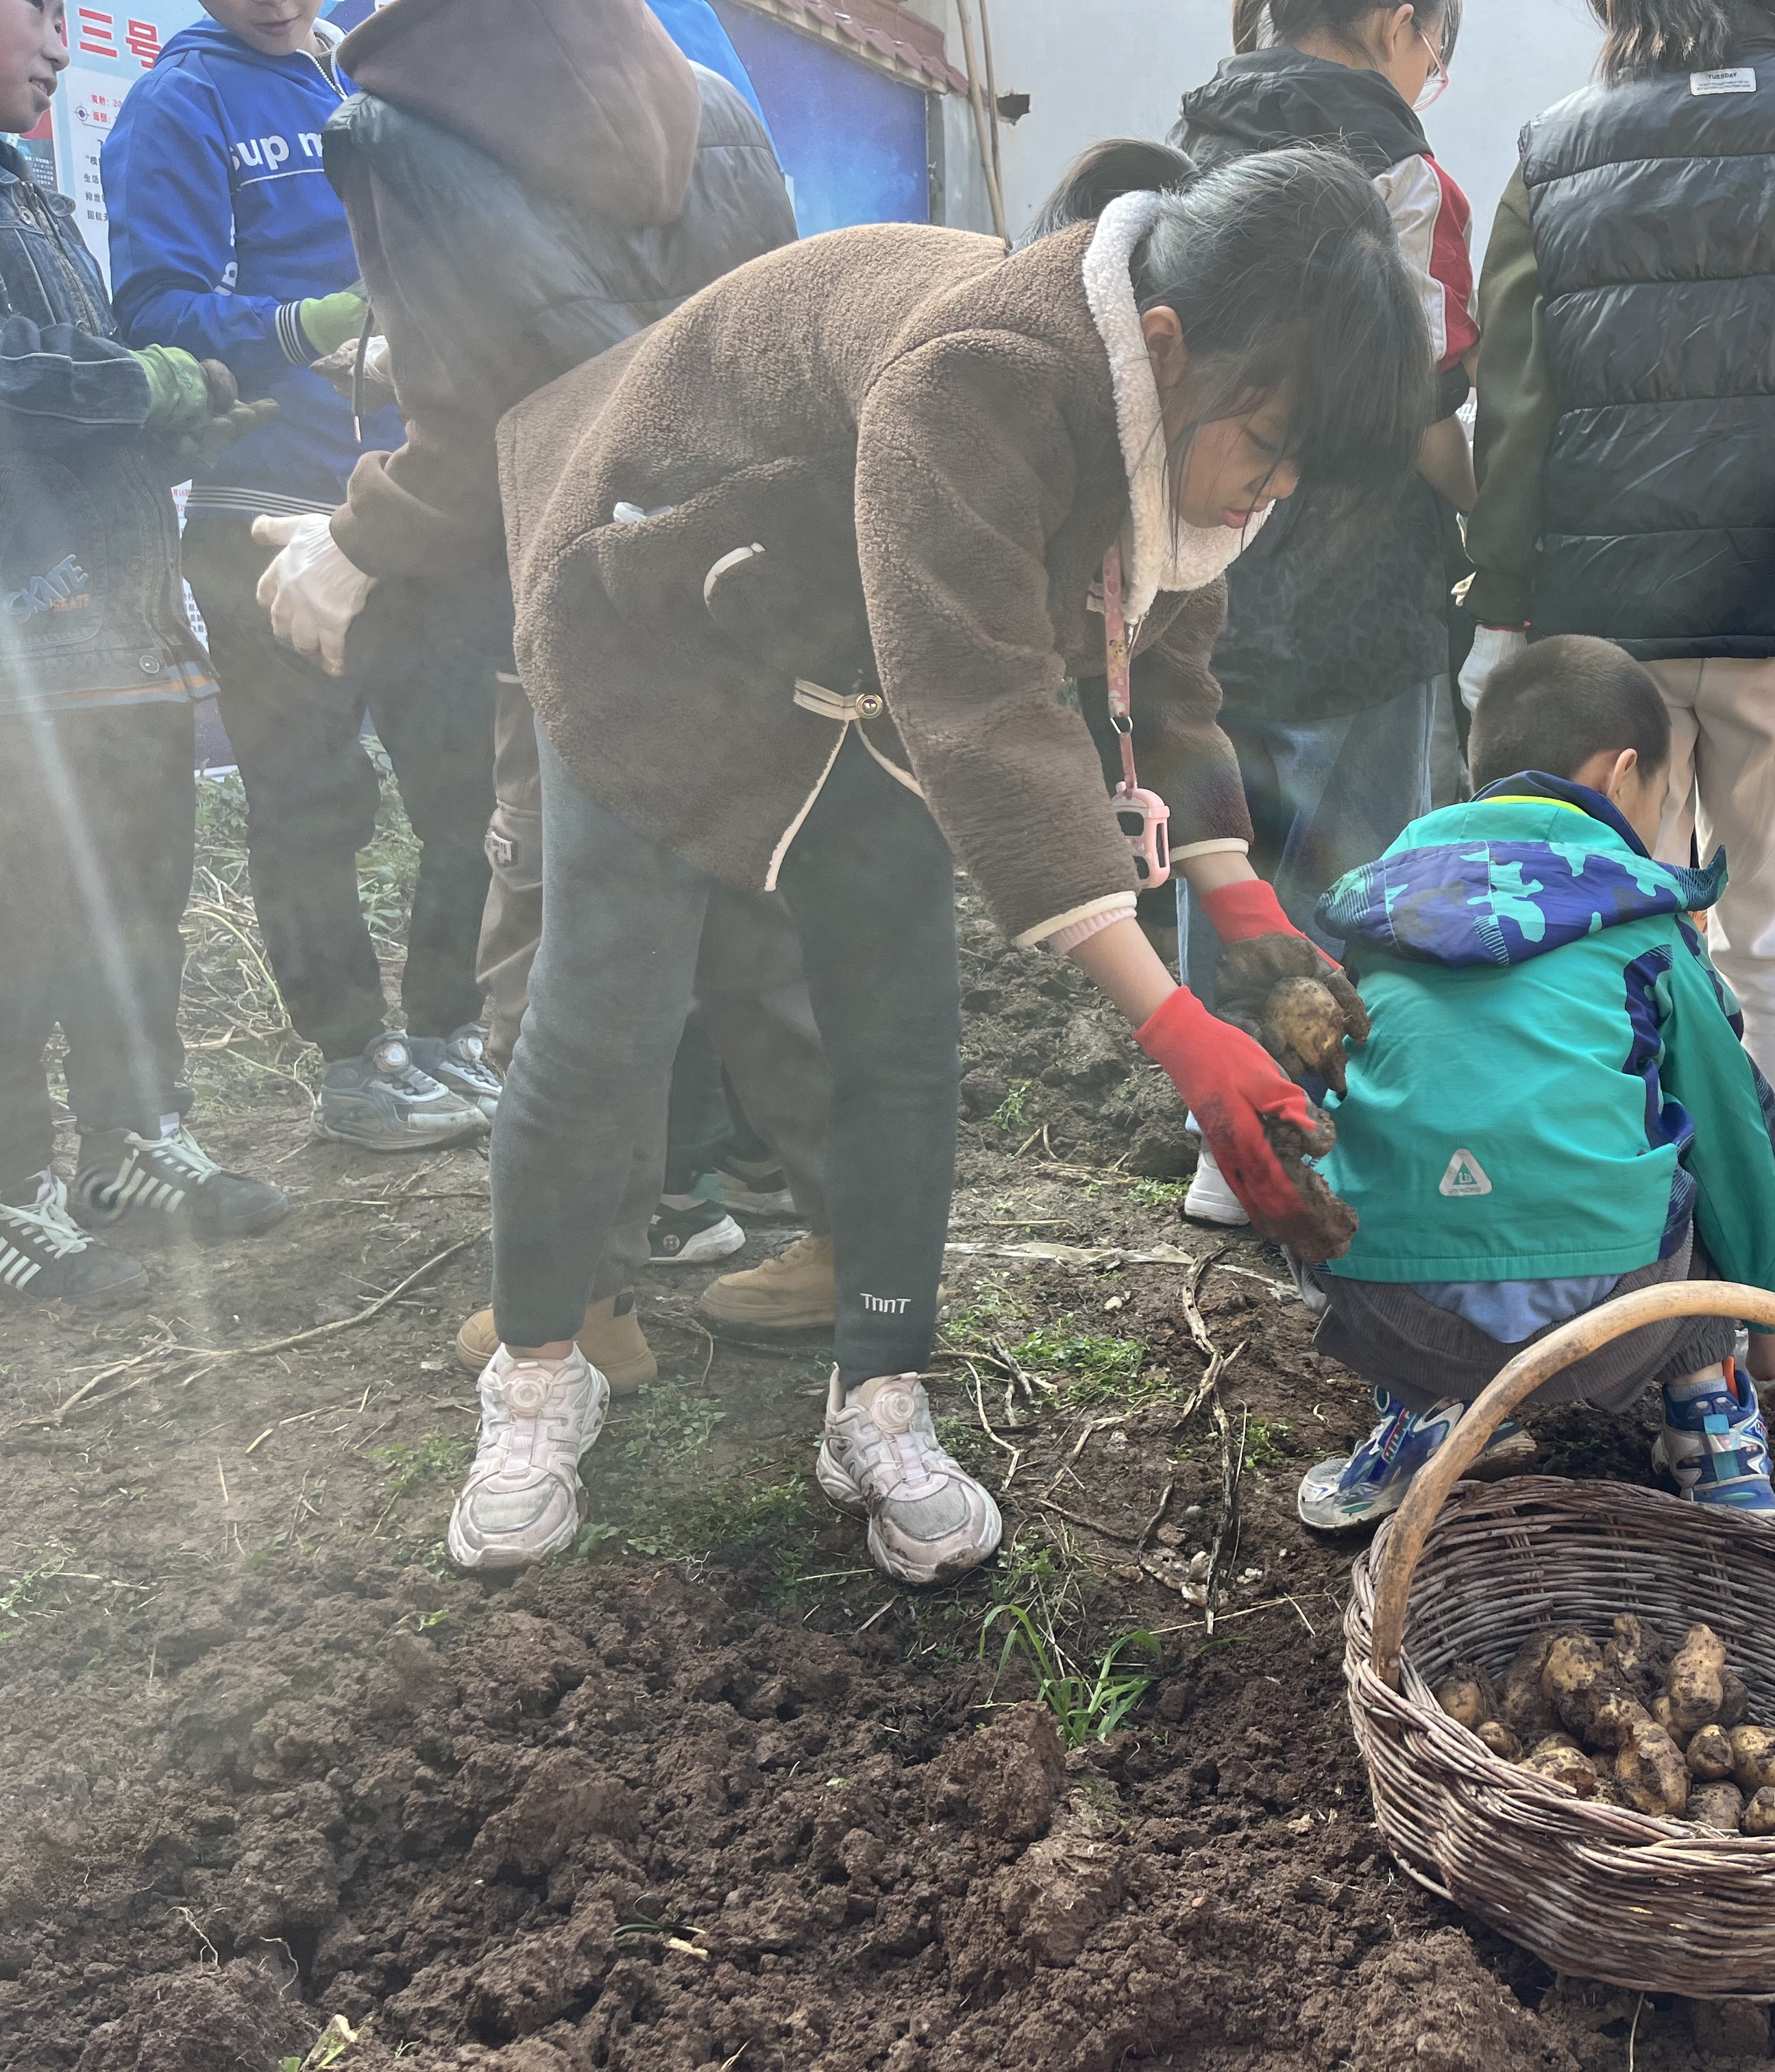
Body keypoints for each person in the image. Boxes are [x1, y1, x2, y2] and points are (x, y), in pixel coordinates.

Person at [456, 146, 1432, 1586]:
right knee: (602, 1018)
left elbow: (1162, 668)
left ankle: (877, 1396)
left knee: (902, 1040)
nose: (1268, 491)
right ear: (1166, 345)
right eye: (1267, 448)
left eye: (1297, 471)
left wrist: (1238, 899)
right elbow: (984, 709)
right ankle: (536, 1378)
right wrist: (1177, 1027)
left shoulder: (1176, 422)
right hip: (656, 627)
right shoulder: (983, 377)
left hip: (851, 659)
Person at [281, 0, 829, 1388]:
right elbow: (750, 337)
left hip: (582, 617)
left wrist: (353, 542)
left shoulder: (397, 125)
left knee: (561, 963)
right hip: (750, 600)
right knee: (775, 943)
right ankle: (853, 1247)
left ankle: (584, 1307)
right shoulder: (710, 93)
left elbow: (491, 425)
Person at [1467, 0, 1775, 1294]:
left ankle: (1627, 1190)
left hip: (1601, 599)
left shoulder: (1554, 146)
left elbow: (1515, 398)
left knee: (1615, 902)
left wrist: (1503, 590)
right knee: (1769, 911)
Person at [1299, 634, 1775, 1527]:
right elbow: (1738, 1139)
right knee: (1708, 1121)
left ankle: (1416, 1414)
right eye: (1661, 796)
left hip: (1390, 1312)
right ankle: (1713, 1425)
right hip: (1612, 1324)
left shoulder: (1380, 908)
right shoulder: (1645, 922)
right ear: (1621, 774)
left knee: (1391, 1122)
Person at [104, 0, 498, 1154]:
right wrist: (298, 325)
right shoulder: (180, 101)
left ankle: (446, 1031)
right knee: (310, 798)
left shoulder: (358, 75)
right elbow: (154, 310)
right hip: (262, 510)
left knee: (464, 782)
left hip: (409, 500)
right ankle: (352, 1060)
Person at [1169, 0, 1478, 1231]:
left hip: (1209, 552)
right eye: (1435, 48)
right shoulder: (1402, 167)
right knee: (1371, 864)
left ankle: (1222, 1131)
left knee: (1221, 851)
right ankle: (1331, 1124)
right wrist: (1487, 523)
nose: (1432, 74)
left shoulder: (1195, 141)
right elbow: (1421, 390)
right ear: (1398, 19)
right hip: (1362, 572)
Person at [0, 0, 290, 1305]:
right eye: (35, 12)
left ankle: (131, 1141)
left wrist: (179, 427)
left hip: (119, 623)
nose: (60, 40)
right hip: (25, 641)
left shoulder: (30, 190)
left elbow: (69, 392)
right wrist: (141, 387)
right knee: (21, 925)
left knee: (133, 901)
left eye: (71, 14)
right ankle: (11, 1195)